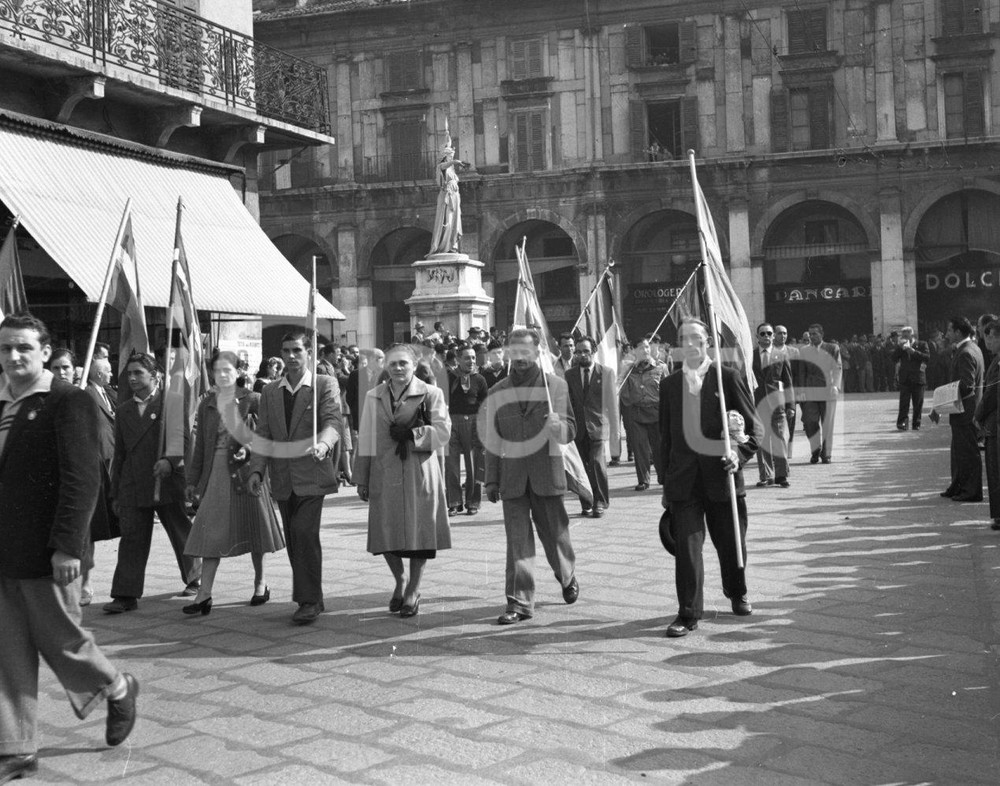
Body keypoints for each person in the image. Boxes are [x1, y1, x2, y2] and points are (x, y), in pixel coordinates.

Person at [0, 314, 138, 781]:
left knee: (63, 642)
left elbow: (82, 481)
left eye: (23, 348)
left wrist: (67, 547)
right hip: (2, 549)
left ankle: (117, 687)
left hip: (47, 551)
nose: (14, 357)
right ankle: (17, 747)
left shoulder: (67, 401)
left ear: (44, 351)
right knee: (7, 649)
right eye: (6, 349)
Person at [659, 318, 758, 638]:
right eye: (682, 339)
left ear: (707, 343)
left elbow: (753, 431)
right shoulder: (670, 385)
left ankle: (736, 590)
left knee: (730, 544)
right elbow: (665, 438)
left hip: (723, 477)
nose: (689, 344)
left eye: (696, 339)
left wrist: (739, 456)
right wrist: (666, 483)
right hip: (685, 482)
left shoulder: (727, 378)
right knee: (687, 548)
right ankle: (688, 612)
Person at [484, 328, 579, 625]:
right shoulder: (496, 392)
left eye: (526, 353)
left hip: (546, 474)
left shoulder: (556, 387)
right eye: (515, 353)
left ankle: (567, 575)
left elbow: (572, 431)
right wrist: (491, 479)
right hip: (512, 478)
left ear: (537, 352)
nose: (521, 359)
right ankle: (519, 601)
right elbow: (492, 440)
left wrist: (558, 428)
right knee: (517, 543)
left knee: (556, 535)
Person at [247, 330, 342, 624]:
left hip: (313, 473)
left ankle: (308, 601)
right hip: (283, 478)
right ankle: (313, 594)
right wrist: (256, 470)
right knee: (294, 537)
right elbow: (263, 434)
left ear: (309, 352)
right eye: (286, 351)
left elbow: (333, 422)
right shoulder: (271, 392)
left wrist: (324, 444)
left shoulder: (324, 384)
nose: (290, 357)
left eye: (297, 351)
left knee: (304, 532)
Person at [183, 352, 285, 616]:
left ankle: (260, 582)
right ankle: (204, 594)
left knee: (255, 528)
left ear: (238, 370)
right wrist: (193, 481)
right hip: (214, 474)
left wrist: (249, 452)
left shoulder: (253, 399)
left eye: (228, 369)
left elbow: (266, 438)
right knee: (208, 531)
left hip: (246, 473)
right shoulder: (207, 403)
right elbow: (200, 448)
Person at [355, 343, 451, 617]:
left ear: (413, 365)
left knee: (420, 534)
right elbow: (366, 439)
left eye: (403, 363)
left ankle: (413, 591)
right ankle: (400, 580)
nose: (398, 368)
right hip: (384, 472)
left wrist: (412, 435)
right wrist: (361, 476)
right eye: (393, 363)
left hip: (418, 473)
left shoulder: (431, 393)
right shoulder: (374, 396)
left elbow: (443, 433)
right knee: (386, 532)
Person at [104, 353, 201, 613]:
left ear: (154, 375)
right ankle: (125, 594)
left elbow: (181, 438)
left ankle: (195, 576)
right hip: (133, 484)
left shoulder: (171, 402)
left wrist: (170, 461)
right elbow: (120, 453)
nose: (133, 378)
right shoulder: (123, 410)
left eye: (139, 373)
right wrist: (115, 493)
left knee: (180, 530)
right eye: (130, 374)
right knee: (132, 538)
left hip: (166, 481)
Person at [932, 316, 985, 502]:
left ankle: (971, 491)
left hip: (965, 411)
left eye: (949, 330)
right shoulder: (971, 348)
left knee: (967, 452)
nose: (946, 334)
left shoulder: (965, 353)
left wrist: (941, 399)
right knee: (958, 451)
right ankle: (958, 486)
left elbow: (966, 385)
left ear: (957, 332)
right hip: (963, 410)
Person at [81, 358, 118, 607]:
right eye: (108, 370)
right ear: (96, 372)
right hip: (95, 459)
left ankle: (85, 582)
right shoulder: (85, 393)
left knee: (91, 530)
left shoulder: (108, 393)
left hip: (110, 459)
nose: (112, 373)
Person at [566, 336, 611, 517]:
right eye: (578, 351)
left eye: (586, 351)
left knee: (597, 463)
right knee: (581, 466)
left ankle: (600, 501)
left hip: (598, 426)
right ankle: (586, 502)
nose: (582, 354)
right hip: (578, 428)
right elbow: (567, 401)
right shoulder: (570, 375)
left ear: (593, 351)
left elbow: (610, 402)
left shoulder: (605, 372)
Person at [619, 337, 667, 490]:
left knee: (659, 447)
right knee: (640, 448)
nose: (645, 350)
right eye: (641, 348)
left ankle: (663, 476)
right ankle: (643, 480)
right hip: (637, 413)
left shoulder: (660, 367)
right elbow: (623, 391)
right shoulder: (628, 370)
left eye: (647, 347)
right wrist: (633, 402)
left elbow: (667, 389)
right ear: (634, 351)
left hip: (657, 412)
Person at [445, 344, 488, 516]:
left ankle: (473, 502)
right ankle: (454, 502)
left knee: (473, 465)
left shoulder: (480, 379)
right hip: (452, 422)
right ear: (458, 360)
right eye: (466, 358)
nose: (471, 361)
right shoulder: (449, 377)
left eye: (473, 358)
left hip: (474, 423)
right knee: (452, 465)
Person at [752, 322, 794, 488]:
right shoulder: (751, 356)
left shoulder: (780, 355)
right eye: (762, 334)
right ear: (757, 337)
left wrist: (791, 405)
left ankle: (781, 475)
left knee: (779, 440)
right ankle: (766, 475)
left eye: (769, 333)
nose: (767, 337)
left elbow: (788, 382)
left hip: (777, 404)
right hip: (758, 403)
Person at [797, 323, 842, 464]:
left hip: (828, 390)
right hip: (810, 391)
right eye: (810, 334)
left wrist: (836, 385)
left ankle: (826, 454)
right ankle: (815, 450)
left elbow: (838, 368)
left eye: (815, 333)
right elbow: (801, 373)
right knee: (809, 421)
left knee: (827, 424)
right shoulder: (804, 351)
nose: (812, 336)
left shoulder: (832, 348)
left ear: (822, 335)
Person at [975, 321, 1000, 530]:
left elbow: (992, 393)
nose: (988, 342)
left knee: (995, 469)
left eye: (991, 337)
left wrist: (978, 414)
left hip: (995, 422)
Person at [428, 140, 466, 255]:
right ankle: (444, 247)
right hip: (446, 197)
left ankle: (452, 246)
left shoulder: (452, 171)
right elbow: (443, 166)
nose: (451, 158)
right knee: (447, 221)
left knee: (455, 222)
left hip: (454, 196)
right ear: (445, 156)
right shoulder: (442, 166)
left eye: (452, 156)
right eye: (450, 156)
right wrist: (455, 161)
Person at [892, 326, 929, 430]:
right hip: (905, 378)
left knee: (918, 403)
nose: (904, 337)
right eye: (903, 335)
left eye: (906, 335)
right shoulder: (901, 346)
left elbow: (927, 357)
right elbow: (893, 358)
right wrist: (899, 348)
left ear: (912, 335)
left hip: (918, 378)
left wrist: (913, 352)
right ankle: (902, 423)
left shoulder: (922, 344)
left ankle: (916, 423)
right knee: (904, 402)